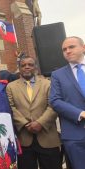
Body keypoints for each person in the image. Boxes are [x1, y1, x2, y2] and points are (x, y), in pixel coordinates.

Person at [6, 56, 61, 169]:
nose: (27, 67)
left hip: (47, 137)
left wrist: (40, 123)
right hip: (24, 139)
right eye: (23, 65)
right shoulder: (10, 87)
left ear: (35, 67)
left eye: (30, 65)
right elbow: (11, 108)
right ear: (19, 68)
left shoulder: (48, 84)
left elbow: (53, 105)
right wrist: (25, 124)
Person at [49, 36, 85, 169]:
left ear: (83, 47)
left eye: (71, 47)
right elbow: (55, 100)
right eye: (64, 49)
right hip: (75, 135)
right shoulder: (57, 75)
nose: (67, 51)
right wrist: (80, 113)